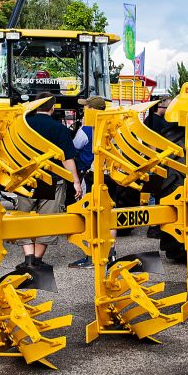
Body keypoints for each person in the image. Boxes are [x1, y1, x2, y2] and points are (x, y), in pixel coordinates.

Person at [14, 92, 83, 271]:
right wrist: (75, 181)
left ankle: (28, 258)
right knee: (48, 219)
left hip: (26, 179)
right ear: (52, 108)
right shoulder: (60, 129)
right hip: (52, 180)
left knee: (22, 217)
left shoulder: (22, 124)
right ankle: (37, 260)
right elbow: (67, 158)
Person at [68, 96, 118, 269]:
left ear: (92, 110)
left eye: (86, 107)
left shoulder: (86, 129)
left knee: (90, 213)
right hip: (111, 175)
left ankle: (91, 255)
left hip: (92, 174)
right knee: (109, 213)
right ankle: (110, 253)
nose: (84, 110)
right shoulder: (113, 127)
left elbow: (74, 147)